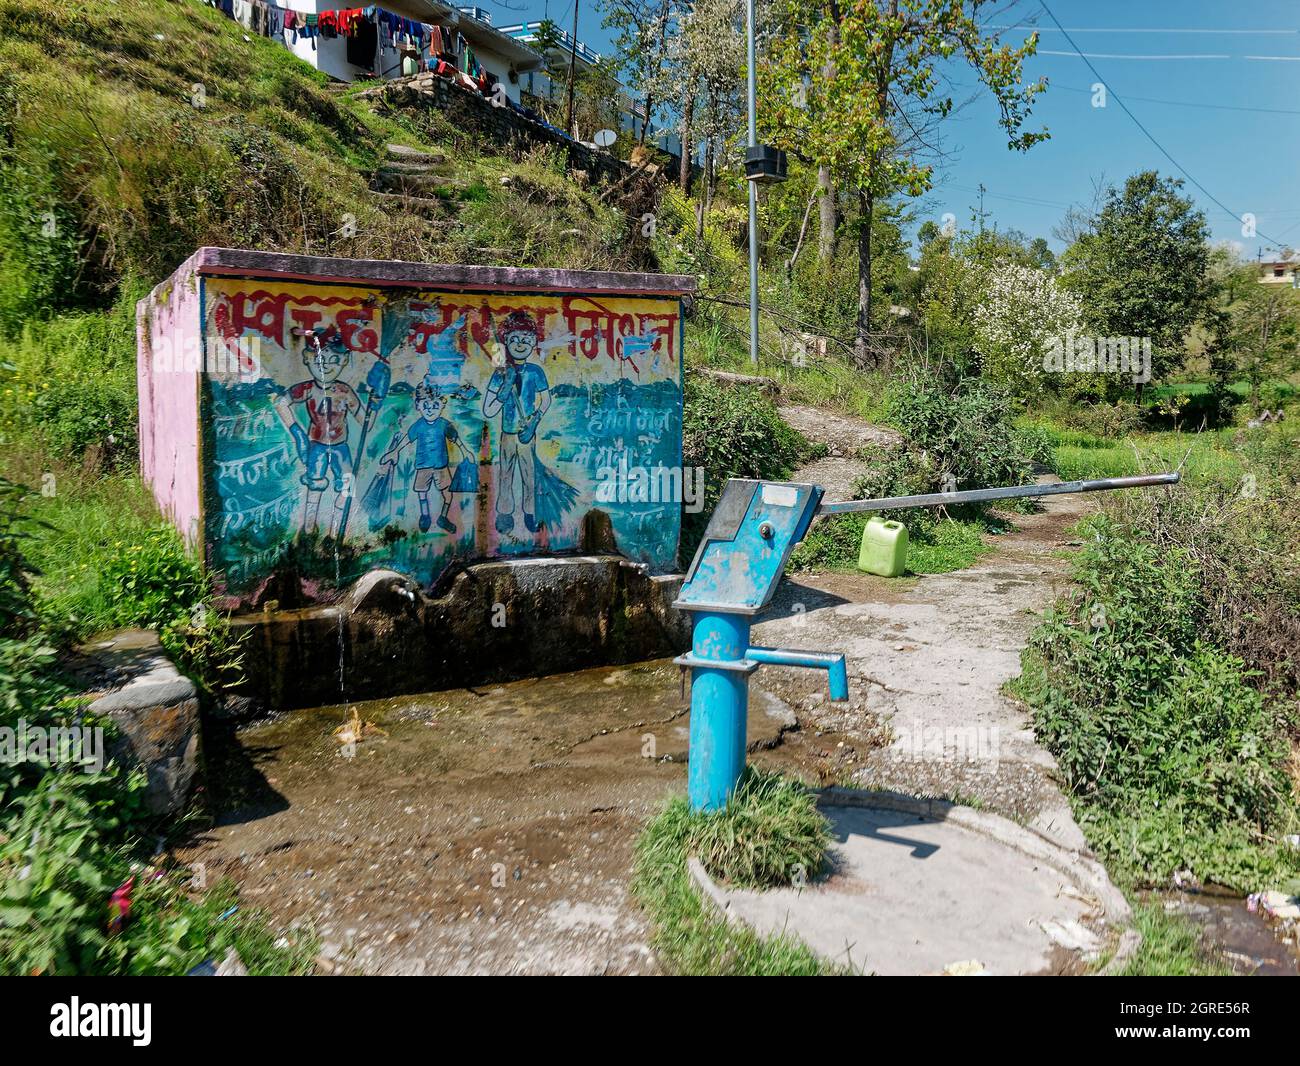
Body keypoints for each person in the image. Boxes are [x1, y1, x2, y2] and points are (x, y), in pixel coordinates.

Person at [482, 310, 551, 534]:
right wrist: (503, 391)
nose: (520, 344)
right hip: (507, 434)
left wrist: (534, 423)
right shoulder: (501, 373)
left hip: (526, 433)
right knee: (506, 474)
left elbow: (546, 401)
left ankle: (530, 513)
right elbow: (488, 409)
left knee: (529, 475)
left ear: (533, 342)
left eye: (525, 339)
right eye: (514, 339)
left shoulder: (535, 371)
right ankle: (504, 513)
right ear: (506, 342)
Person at [380, 383, 467, 533]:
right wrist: (394, 452)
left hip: (441, 466)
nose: (430, 408)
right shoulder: (418, 425)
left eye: (435, 404)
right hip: (423, 466)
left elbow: (455, 438)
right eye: (425, 404)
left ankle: (443, 517)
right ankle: (425, 516)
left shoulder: (444, 424)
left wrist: (466, 451)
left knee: (448, 495)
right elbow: (407, 438)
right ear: (418, 406)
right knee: (422, 492)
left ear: (442, 405)